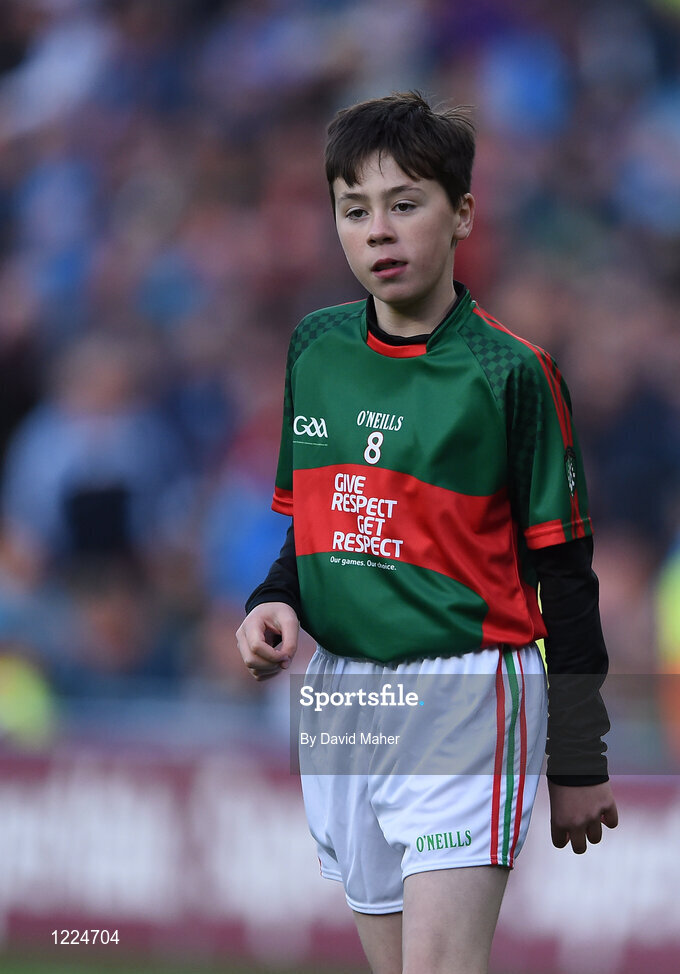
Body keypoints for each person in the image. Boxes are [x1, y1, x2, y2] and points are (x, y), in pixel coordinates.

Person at [236, 92, 618, 974]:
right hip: (343, 694)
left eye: (405, 204)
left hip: (466, 687)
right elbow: (318, 529)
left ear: (462, 215)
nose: (378, 230)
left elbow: (565, 571)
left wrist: (579, 753)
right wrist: (273, 603)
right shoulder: (314, 347)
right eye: (354, 208)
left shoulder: (512, 371)